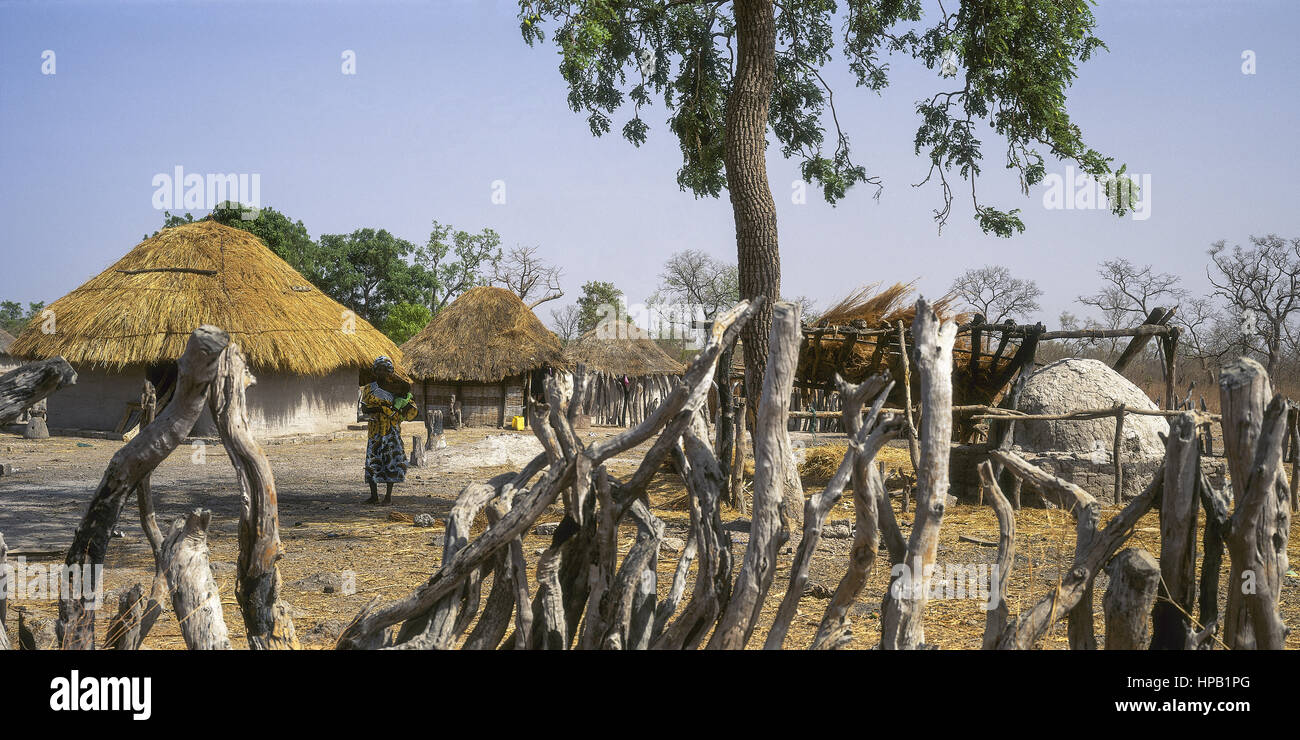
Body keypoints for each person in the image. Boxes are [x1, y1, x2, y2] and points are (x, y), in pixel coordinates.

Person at [360, 356, 418, 505]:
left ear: (390, 372)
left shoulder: (397, 388)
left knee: (391, 461)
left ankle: (388, 497)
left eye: (385, 369)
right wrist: (380, 408)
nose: (381, 372)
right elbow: (364, 408)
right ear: (374, 371)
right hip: (375, 431)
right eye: (378, 369)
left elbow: (408, 407)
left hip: (391, 430)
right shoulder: (369, 388)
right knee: (373, 461)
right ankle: (374, 496)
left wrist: (396, 410)